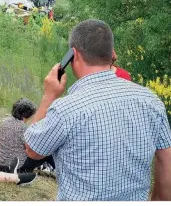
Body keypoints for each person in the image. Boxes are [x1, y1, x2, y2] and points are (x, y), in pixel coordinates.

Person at [24, 19, 171, 201]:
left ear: (73, 55)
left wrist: (48, 96)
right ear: (112, 54)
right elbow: (166, 161)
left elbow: (33, 149)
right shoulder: (152, 101)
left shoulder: (66, 108)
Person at [0, 98, 55, 173]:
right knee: (47, 150)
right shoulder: (23, 127)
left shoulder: (5, 121)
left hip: (3, 160)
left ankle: (47, 166)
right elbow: (30, 150)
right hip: (18, 165)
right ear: (27, 114)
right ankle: (58, 169)